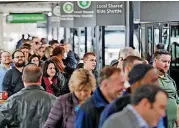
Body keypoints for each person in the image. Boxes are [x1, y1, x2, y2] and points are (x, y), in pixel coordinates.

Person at [98, 64, 164, 128]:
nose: (157, 85)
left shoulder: (157, 106)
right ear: (137, 84)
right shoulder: (115, 109)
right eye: (153, 80)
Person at [102, 84, 168, 128]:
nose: (163, 114)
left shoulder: (145, 123)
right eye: (161, 107)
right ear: (145, 103)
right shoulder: (116, 124)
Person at [153, 50, 179, 128]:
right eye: (164, 61)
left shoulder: (171, 80)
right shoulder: (149, 79)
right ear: (155, 61)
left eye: (169, 62)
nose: (167, 65)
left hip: (172, 124)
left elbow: (176, 102)